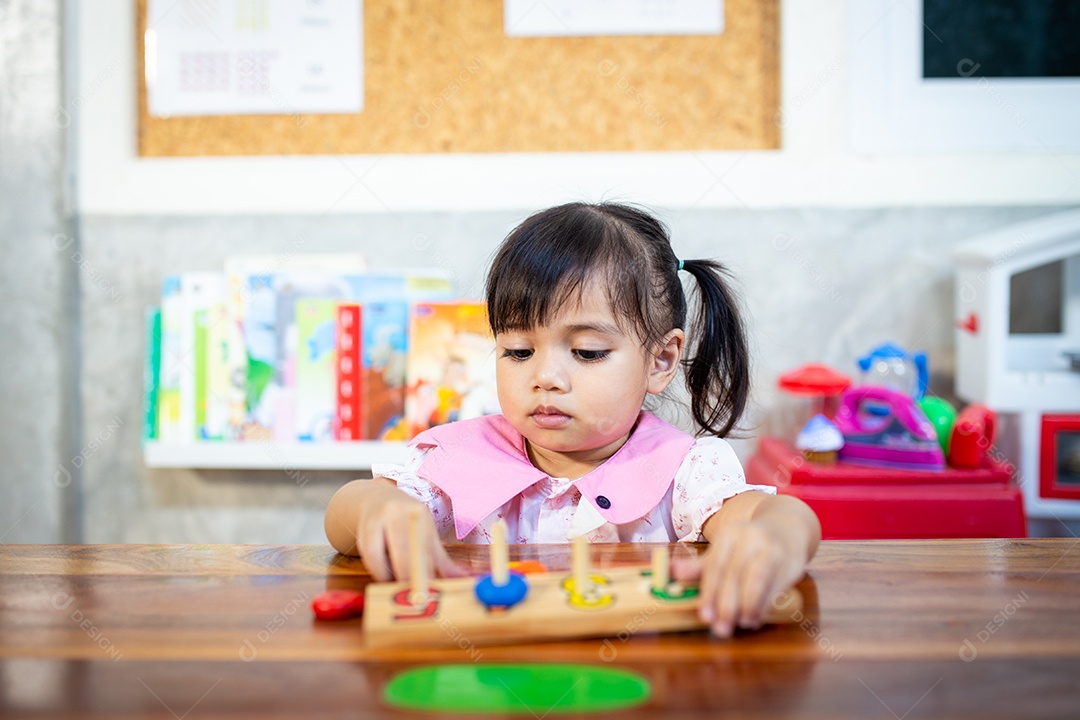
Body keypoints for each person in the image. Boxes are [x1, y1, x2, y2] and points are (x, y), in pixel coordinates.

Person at [325, 201, 821, 637]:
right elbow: (343, 518)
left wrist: (778, 536)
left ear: (660, 360)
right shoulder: (457, 460)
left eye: (586, 351)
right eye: (518, 351)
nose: (545, 377)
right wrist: (375, 508)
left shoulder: (685, 470)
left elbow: (772, 515)